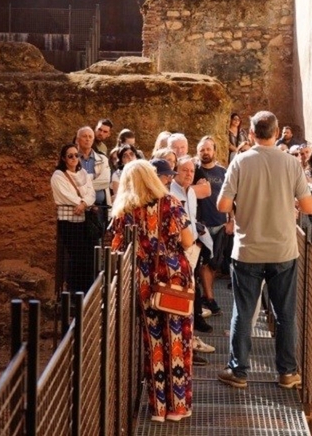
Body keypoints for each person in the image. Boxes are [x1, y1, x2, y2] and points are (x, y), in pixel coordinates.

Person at [216, 111, 312, 390]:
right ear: (276, 132)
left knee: (244, 312)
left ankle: (239, 371)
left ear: (250, 133)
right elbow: (309, 207)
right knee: (284, 314)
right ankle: (286, 372)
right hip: (283, 249)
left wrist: (241, 204)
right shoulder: (291, 163)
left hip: (247, 250)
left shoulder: (240, 161)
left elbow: (222, 206)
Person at [110, 160, 195, 423]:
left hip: (144, 280)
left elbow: (114, 248)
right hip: (173, 278)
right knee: (178, 340)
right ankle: (178, 407)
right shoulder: (170, 203)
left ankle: (158, 408)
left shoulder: (124, 211)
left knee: (154, 342)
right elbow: (188, 240)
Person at [170, 156, 214, 334]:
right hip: (179, 247)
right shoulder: (171, 192)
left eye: (191, 171)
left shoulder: (191, 192)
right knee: (182, 287)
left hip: (193, 245)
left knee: (193, 284)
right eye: (184, 170)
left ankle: (194, 321)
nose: (189, 174)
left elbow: (191, 218)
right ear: (176, 172)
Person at [51, 144, 97, 293]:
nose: (74, 158)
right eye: (70, 156)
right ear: (64, 158)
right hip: (68, 222)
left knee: (88, 256)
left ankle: (87, 290)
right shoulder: (58, 176)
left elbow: (91, 193)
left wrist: (84, 203)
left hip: (84, 220)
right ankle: (74, 291)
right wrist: (82, 203)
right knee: (75, 256)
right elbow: (66, 195)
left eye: (76, 155)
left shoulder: (83, 173)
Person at [195, 136, 232, 312]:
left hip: (219, 224)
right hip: (200, 225)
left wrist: (231, 220)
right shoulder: (193, 171)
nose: (205, 152)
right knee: (204, 263)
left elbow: (232, 196)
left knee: (214, 263)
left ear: (214, 151)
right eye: (202, 149)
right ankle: (210, 298)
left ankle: (205, 295)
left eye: (208, 149)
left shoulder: (223, 172)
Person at [77, 127, 111, 234]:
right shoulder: (72, 159)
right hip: (78, 208)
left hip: (98, 209)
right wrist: (93, 179)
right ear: (78, 139)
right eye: (84, 136)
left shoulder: (103, 159)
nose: (87, 139)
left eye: (90, 136)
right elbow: (70, 183)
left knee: (97, 242)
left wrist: (83, 184)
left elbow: (105, 181)